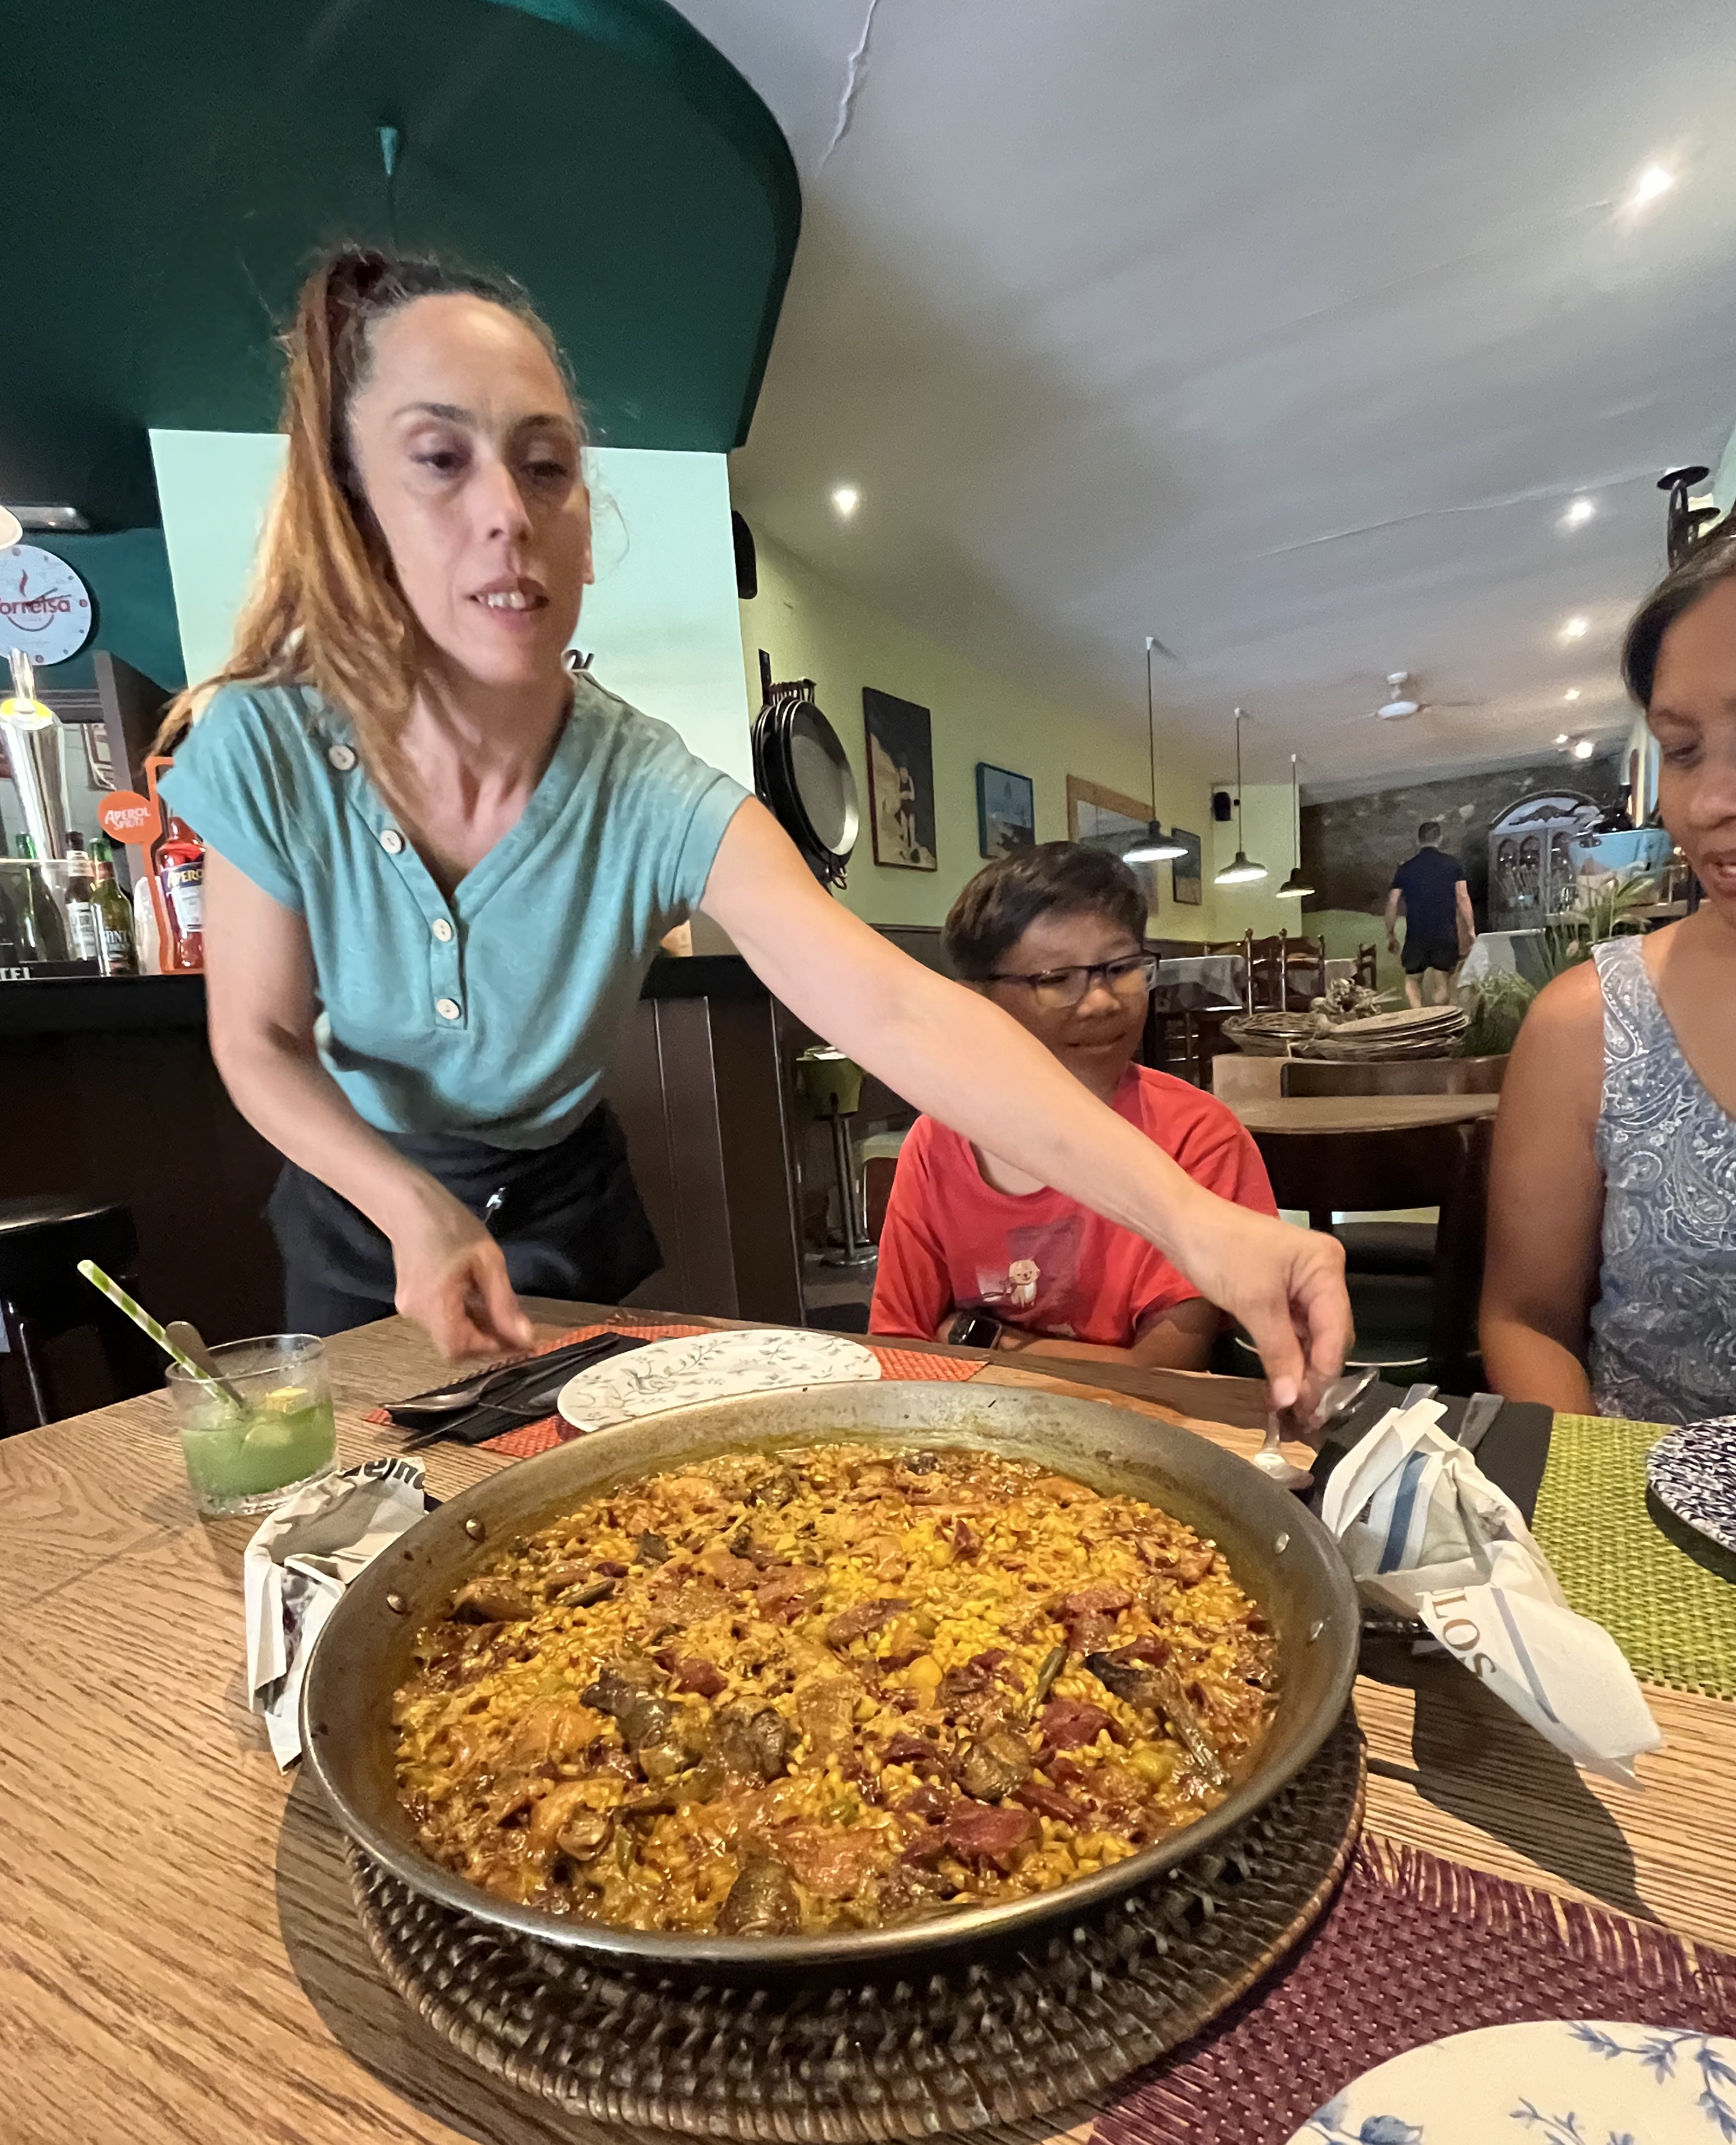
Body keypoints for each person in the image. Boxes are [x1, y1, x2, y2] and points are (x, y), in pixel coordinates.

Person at [162, 246, 1347, 1412]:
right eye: (438, 460)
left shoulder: (647, 787)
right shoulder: (266, 742)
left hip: (563, 1215)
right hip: (356, 1208)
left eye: (545, 467)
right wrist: (408, 1204)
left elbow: (896, 1009)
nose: (506, 514)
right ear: (354, 508)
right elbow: (260, 1039)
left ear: (586, 527)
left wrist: (1196, 1222)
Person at [1479, 528, 1736, 1420]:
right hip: (1638, 1496)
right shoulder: (1588, 1022)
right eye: (1684, 750)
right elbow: (1525, 1320)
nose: (1710, 803)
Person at [869, 845, 1279, 1365]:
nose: (1103, 1001)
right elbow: (899, 1346)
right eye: (1056, 979)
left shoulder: (1196, 1136)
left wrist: (983, 1338)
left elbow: (1161, 1369)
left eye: (1122, 967)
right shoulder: (938, 1143)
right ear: (976, 1001)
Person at [1385, 820, 1473, 1006]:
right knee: (1442, 981)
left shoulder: (1406, 869)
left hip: (1416, 933)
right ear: (1440, 839)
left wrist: (1391, 934)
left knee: (1412, 980)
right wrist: (1471, 929)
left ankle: (1418, 1016)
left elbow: (1393, 902)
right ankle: (1437, 1018)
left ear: (1418, 841)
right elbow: (1463, 897)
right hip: (1444, 931)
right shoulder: (1452, 865)